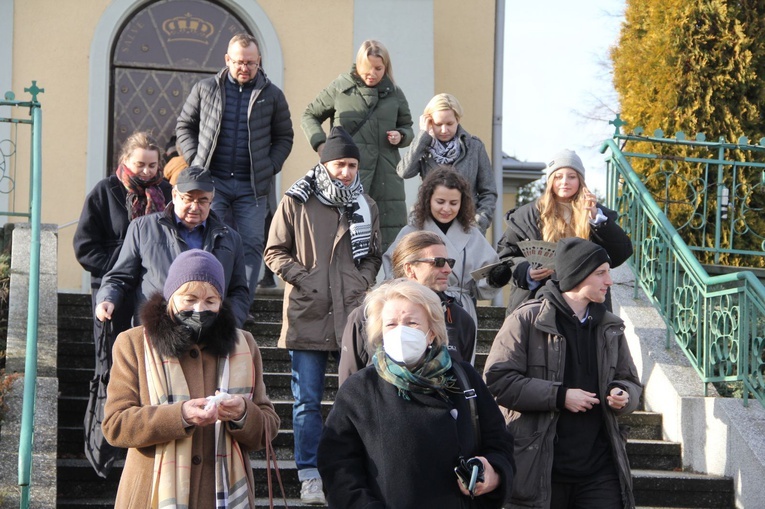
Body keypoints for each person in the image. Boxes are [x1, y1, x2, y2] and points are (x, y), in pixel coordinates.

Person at [102, 249, 280, 508]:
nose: (199, 309)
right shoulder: (133, 343)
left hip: (221, 496)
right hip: (152, 493)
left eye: (210, 301)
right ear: (171, 296)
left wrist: (243, 412)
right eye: (189, 299)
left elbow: (268, 425)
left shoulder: (245, 345)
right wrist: (180, 416)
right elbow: (115, 425)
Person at [318, 279, 515, 508]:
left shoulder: (464, 379)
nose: (400, 331)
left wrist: (493, 473)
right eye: (391, 324)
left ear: (432, 333)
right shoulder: (360, 389)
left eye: (411, 323)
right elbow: (337, 465)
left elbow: (500, 444)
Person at [264, 125, 382, 505]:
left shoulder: (367, 204)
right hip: (309, 310)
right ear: (324, 164)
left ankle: (354, 468)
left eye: (351, 164)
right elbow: (274, 250)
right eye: (339, 164)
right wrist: (305, 279)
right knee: (307, 401)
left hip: (351, 314)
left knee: (360, 397)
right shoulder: (296, 199)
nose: (346, 171)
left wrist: (362, 281)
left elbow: (374, 255)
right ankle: (310, 474)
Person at [484, 238, 642, 509]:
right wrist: (560, 396)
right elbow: (498, 380)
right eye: (601, 273)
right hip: (541, 468)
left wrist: (623, 394)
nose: (609, 281)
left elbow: (631, 381)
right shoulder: (526, 320)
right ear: (578, 275)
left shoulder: (611, 327)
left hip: (600, 470)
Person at [176, 32, 294, 302]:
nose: (245, 68)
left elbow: (284, 137)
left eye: (251, 63)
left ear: (259, 61)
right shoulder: (205, 89)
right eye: (240, 62)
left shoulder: (272, 95)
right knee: (210, 241)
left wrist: (271, 166)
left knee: (252, 245)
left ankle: (241, 305)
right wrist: (196, 162)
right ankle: (209, 299)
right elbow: (184, 126)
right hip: (211, 183)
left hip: (251, 187)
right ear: (227, 59)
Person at [95, 166, 250, 328]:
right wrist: (107, 299)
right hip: (156, 330)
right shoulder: (142, 228)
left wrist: (231, 322)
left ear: (211, 200)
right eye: (188, 198)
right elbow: (120, 277)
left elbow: (239, 291)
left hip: (209, 333)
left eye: (203, 200)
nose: (195, 207)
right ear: (175, 196)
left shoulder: (230, 238)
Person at [489, 149, 633, 315]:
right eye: (558, 176)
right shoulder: (526, 215)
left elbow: (620, 254)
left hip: (586, 307)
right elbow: (504, 257)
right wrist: (526, 271)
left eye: (571, 176)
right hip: (536, 304)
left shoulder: (596, 214)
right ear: (550, 181)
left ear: (580, 180)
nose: (564, 182)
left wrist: (596, 219)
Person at [301, 39, 413, 252]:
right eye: (367, 68)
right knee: (343, 240)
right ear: (358, 65)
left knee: (390, 244)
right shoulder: (341, 87)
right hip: (347, 175)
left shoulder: (394, 93)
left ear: (386, 67)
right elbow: (309, 115)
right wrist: (321, 145)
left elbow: (407, 126)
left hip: (386, 176)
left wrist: (401, 135)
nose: (372, 73)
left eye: (378, 68)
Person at [74, 131, 173, 351]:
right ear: (125, 160)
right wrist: (117, 267)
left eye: (152, 165)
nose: (146, 172)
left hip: (152, 285)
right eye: (140, 164)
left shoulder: (168, 193)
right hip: (111, 283)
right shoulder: (105, 190)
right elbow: (84, 245)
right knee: (111, 351)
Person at [338, 230, 476, 385]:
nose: (448, 270)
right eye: (438, 262)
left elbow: (462, 381)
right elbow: (349, 385)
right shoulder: (366, 316)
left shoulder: (459, 319)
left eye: (449, 262)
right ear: (410, 269)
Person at [384, 166, 499, 330]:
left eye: (453, 203)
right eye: (440, 202)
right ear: (428, 199)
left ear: (462, 203)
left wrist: (494, 278)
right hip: (417, 308)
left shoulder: (473, 234)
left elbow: (485, 279)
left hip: (460, 311)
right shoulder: (411, 232)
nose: (446, 209)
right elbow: (393, 273)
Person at [398, 93, 497, 233]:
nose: (444, 130)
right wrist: (422, 136)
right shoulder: (424, 148)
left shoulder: (475, 147)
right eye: (438, 124)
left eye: (449, 124)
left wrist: (480, 222)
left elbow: (489, 191)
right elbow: (404, 172)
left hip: (467, 228)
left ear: (458, 120)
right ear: (429, 122)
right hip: (430, 229)